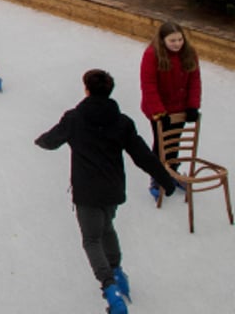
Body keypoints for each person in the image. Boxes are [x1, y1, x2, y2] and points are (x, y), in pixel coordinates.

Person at [36, 69, 176, 314]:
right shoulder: (122, 122)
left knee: (91, 239)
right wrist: (165, 179)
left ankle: (110, 291)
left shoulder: (74, 119)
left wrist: (41, 140)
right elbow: (143, 155)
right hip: (112, 190)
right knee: (107, 227)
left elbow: (52, 141)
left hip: (87, 191)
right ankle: (118, 272)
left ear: (87, 89)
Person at [138, 21, 201, 201]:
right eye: (172, 40)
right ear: (162, 40)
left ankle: (172, 173)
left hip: (180, 108)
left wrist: (192, 106)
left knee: (175, 142)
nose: (177, 44)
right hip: (159, 109)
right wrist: (159, 112)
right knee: (161, 143)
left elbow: (195, 80)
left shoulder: (189, 53)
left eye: (180, 39)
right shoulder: (152, 55)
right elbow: (149, 85)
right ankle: (157, 177)